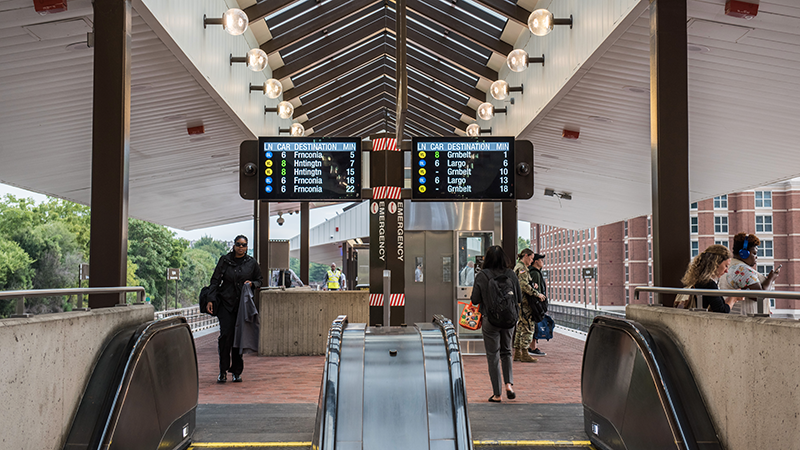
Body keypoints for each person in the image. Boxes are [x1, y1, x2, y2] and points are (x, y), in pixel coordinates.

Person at [206, 235, 263, 383]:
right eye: (238, 244)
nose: (241, 247)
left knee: (239, 337)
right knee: (225, 337)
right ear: (234, 245)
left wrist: (252, 284)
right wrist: (211, 299)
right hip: (225, 304)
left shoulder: (251, 263)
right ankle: (222, 371)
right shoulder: (224, 260)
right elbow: (215, 281)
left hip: (242, 306)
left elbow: (260, 280)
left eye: (243, 245)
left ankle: (237, 372)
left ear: (247, 246)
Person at [470, 245, 521, 402]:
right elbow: (518, 297)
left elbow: (475, 299)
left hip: (490, 319)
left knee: (493, 356)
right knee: (507, 352)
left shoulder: (482, 275)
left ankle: (497, 394)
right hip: (509, 319)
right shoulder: (511, 274)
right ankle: (509, 385)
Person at [719, 233, 781, 314]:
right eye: (754, 253)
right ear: (743, 254)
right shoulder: (743, 270)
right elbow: (759, 296)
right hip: (746, 317)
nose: (756, 257)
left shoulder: (729, 265)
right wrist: (771, 279)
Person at [680, 244, 734, 313]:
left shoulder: (698, 280)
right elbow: (721, 311)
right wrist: (733, 299)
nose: (727, 270)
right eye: (726, 266)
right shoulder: (709, 284)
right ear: (715, 263)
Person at [512, 249, 539, 363]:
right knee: (528, 327)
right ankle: (525, 353)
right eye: (531, 258)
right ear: (526, 256)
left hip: (519, 302)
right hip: (524, 303)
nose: (532, 261)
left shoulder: (518, 267)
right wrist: (536, 294)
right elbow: (523, 285)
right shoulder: (522, 268)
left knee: (520, 327)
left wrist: (532, 285)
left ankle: (518, 353)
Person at [528, 253, 548, 357]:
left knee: (533, 324)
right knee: (535, 324)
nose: (543, 262)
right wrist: (540, 302)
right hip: (536, 304)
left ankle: (532, 346)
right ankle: (533, 347)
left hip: (534, 303)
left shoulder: (534, 272)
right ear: (536, 262)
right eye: (541, 260)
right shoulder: (535, 273)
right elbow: (536, 290)